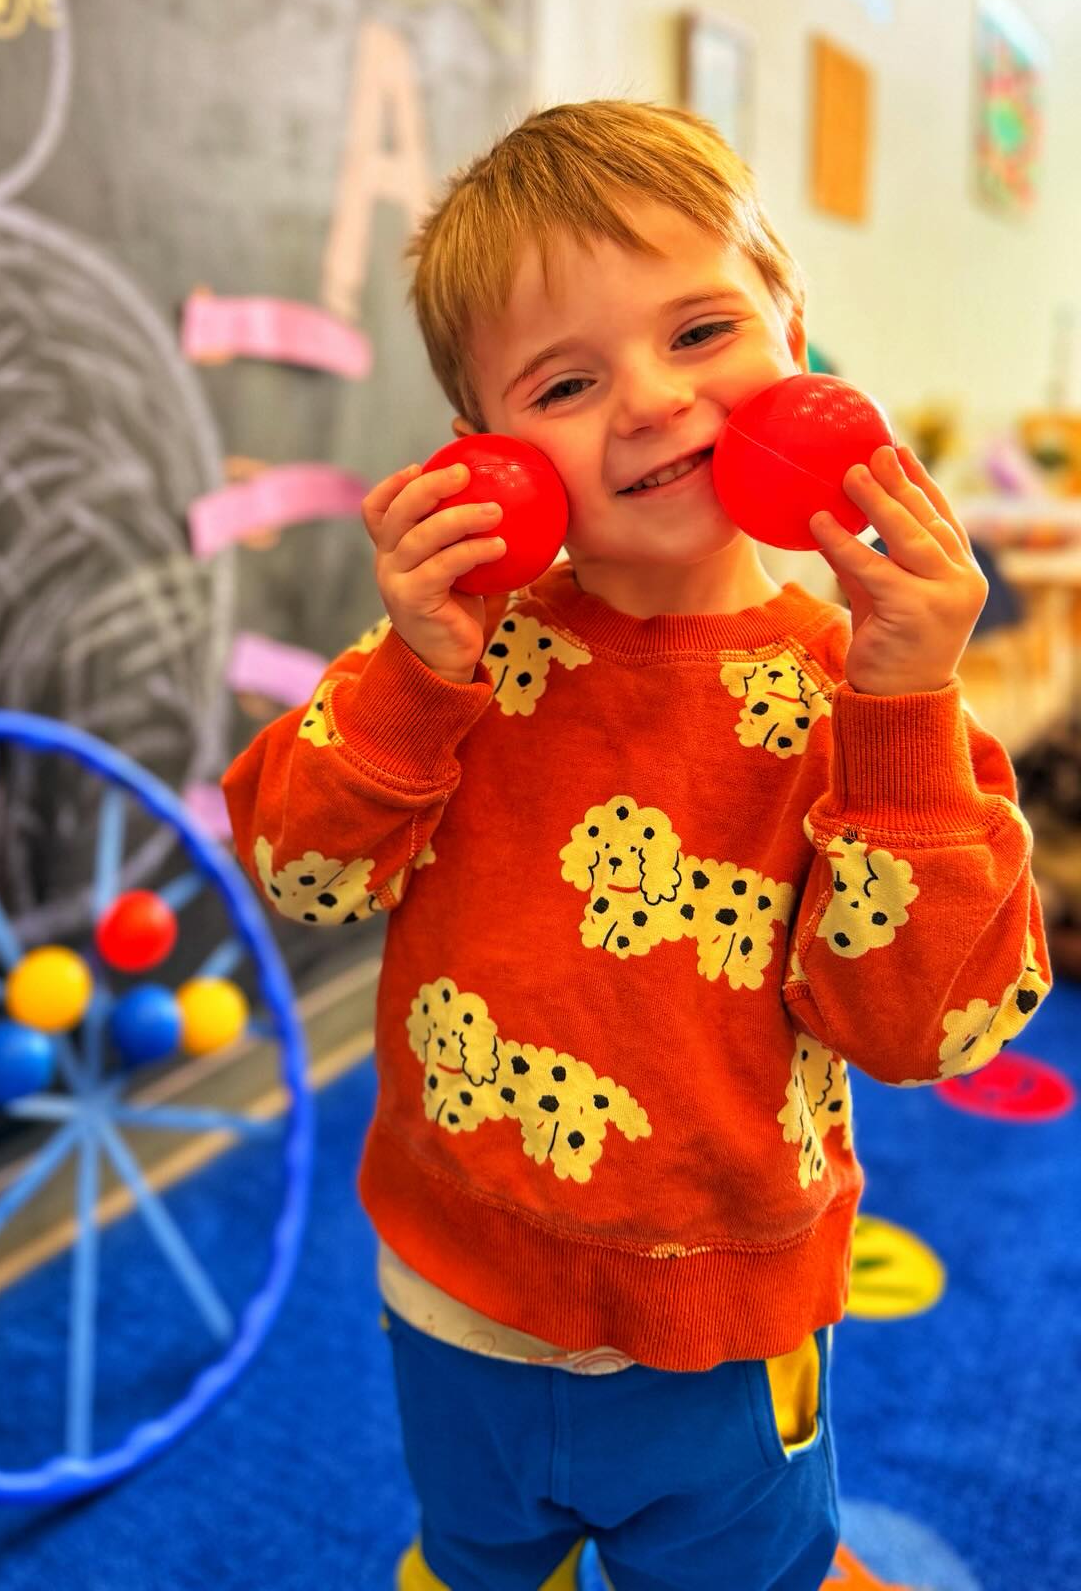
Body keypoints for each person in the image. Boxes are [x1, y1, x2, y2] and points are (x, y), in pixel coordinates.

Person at [221, 101, 1051, 1591]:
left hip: (723, 1329)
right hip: (456, 1286)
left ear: (798, 330)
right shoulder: (457, 659)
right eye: (567, 379)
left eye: (703, 330)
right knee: (481, 1562)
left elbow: (927, 1028)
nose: (654, 402)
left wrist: (911, 700)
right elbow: (300, 874)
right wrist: (415, 669)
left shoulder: (861, 689)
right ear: (488, 453)